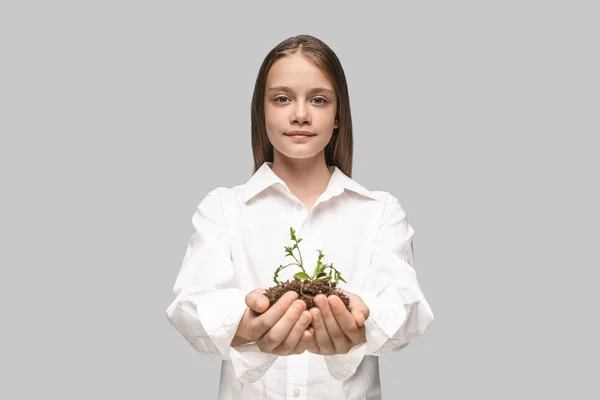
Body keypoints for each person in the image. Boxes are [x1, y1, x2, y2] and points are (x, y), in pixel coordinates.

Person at [165, 34, 434, 400]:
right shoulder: (223, 209)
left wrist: (361, 319)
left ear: (339, 115)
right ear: (262, 111)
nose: (301, 114)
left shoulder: (379, 211)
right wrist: (247, 323)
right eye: (282, 98)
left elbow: (406, 307)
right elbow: (190, 305)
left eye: (319, 100)